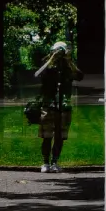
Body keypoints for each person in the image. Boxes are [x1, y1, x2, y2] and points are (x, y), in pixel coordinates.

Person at [33, 40, 83, 173]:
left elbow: (79, 76)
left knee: (60, 136)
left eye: (61, 51)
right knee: (47, 135)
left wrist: (69, 60)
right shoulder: (47, 63)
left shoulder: (68, 65)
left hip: (64, 105)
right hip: (48, 104)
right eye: (57, 51)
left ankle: (55, 161)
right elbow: (37, 75)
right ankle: (45, 163)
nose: (59, 54)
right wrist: (51, 60)